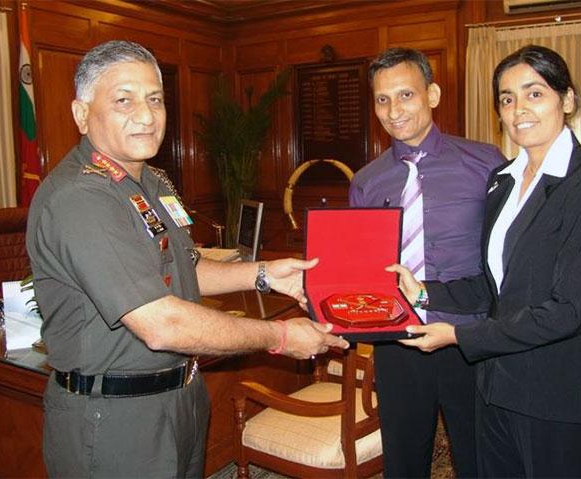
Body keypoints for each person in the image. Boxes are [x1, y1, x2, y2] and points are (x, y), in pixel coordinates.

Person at [25, 40, 348, 478]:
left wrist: (265, 274)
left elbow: (184, 265)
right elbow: (162, 324)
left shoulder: (153, 183)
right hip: (114, 416)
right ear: (82, 114)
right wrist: (282, 336)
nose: (146, 115)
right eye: (124, 100)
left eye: (154, 99)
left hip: (180, 398)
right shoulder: (81, 198)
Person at [388, 45, 581, 478]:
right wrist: (425, 291)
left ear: (568, 100)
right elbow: (493, 284)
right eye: (506, 98)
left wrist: (460, 336)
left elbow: (567, 310)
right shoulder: (502, 182)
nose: (519, 108)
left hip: (559, 392)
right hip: (496, 386)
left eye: (534, 93)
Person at [349, 47, 504, 478]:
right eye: (382, 99)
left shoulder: (486, 162)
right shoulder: (365, 182)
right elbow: (361, 269)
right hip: (398, 343)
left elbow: (505, 256)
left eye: (405, 95)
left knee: (478, 457)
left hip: (466, 337)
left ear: (432, 94)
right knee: (403, 460)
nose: (393, 110)